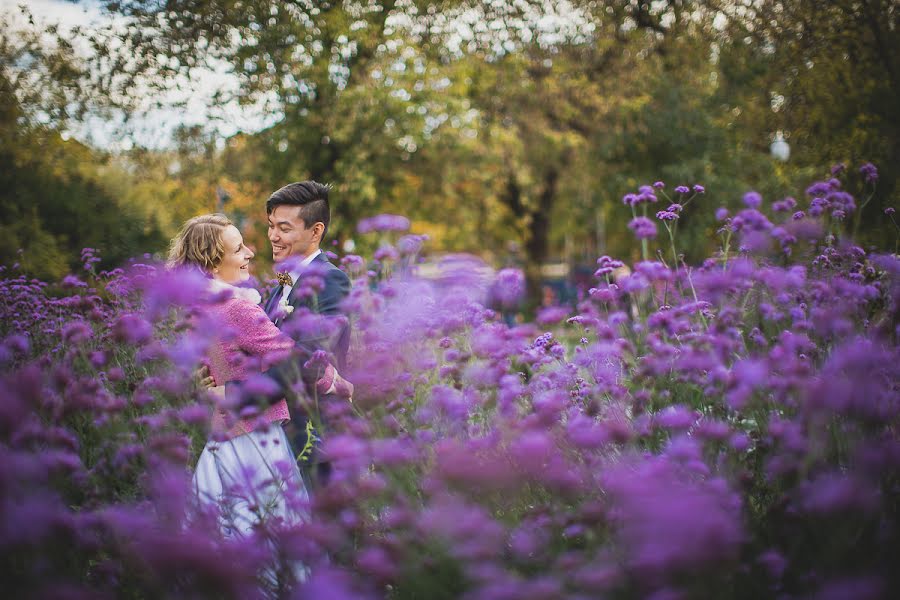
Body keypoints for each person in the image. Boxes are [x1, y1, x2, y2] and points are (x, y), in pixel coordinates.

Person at [167, 215, 308, 551]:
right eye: (238, 248)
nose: (249, 253)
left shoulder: (194, 310)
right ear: (212, 265)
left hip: (222, 438)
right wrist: (339, 384)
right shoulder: (234, 308)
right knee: (271, 536)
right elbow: (296, 360)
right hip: (254, 438)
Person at [261, 181, 352, 487]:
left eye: (284, 228)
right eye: (271, 226)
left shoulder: (330, 280)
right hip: (279, 437)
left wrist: (235, 393)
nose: (273, 236)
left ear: (315, 232)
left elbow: (308, 360)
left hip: (319, 443)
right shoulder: (281, 285)